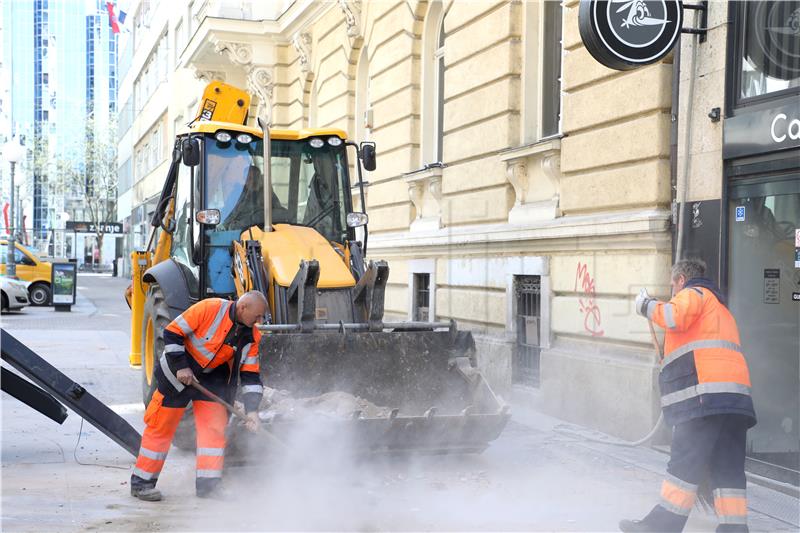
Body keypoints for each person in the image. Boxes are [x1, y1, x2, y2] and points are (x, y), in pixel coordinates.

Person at [621, 259, 756, 532]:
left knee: (684, 462)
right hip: (734, 402)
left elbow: (672, 316)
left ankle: (661, 527)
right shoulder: (720, 309)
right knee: (727, 468)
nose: (673, 293)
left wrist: (645, 305)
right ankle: (735, 529)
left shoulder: (694, 294)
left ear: (681, 279)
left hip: (705, 399)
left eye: (673, 286)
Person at [130, 291, 268, 501]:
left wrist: (252, 412)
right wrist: (181, 367)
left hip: (213, 383)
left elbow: (251, 376)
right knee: (161, 428)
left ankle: (209, 486)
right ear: (243, 308)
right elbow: (172, 332)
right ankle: (142, 484)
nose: (260, 321)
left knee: (213, 431)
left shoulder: (252, 336)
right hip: (178, 376)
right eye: (257, 316)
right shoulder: (209, 308)